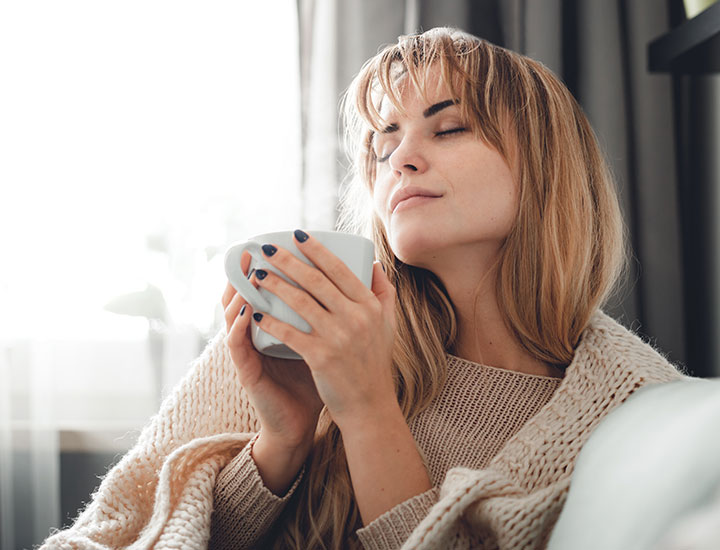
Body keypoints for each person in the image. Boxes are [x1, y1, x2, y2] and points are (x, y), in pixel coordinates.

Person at [39, 26, 690, 550]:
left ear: (547, 167)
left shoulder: (636, 410)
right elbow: (134, 534)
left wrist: (367, 410)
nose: (399, 158)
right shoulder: (311, 317)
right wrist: (282, 439)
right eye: (383, 144)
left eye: (448, 126)